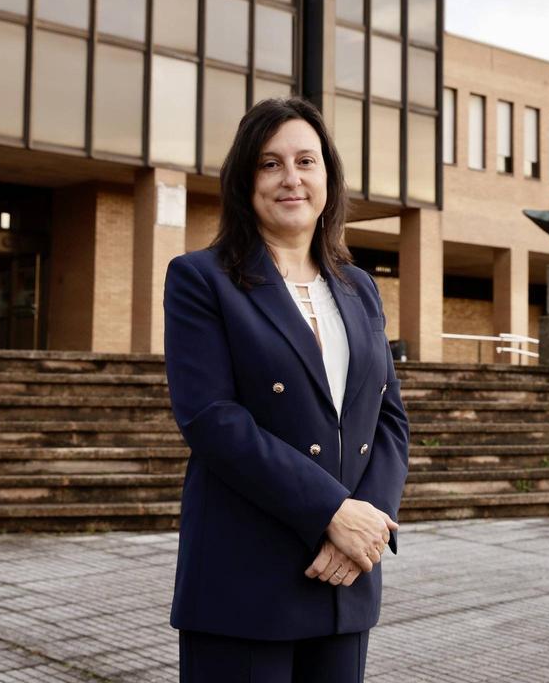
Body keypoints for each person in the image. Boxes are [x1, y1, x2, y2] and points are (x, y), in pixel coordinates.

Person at [163, 96, 411, 682]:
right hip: (245, 579)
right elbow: (212, 419)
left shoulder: (358, 287)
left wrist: (364, 529)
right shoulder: (201, 279)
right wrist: (331, 512)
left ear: (328, 176)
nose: (291, 178)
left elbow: (389, 419)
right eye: (270, 164)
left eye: (306, 160)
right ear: (244, 180)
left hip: (343, 578)